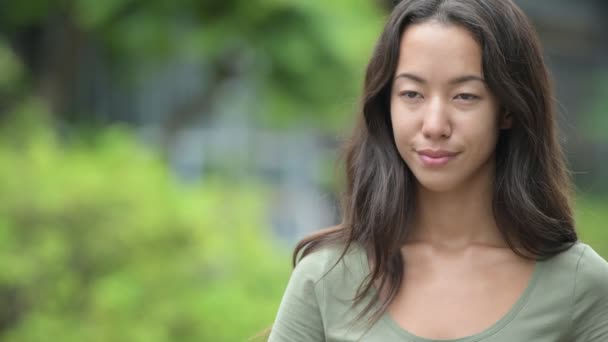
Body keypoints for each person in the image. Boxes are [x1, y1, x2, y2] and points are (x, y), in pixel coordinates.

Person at [268, 0, 608, 341]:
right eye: (412, 93)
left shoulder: (580, 284)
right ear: (386, 105)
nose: (434, 125)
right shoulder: (328, 275)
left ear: (508, 109)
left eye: (464, 96)